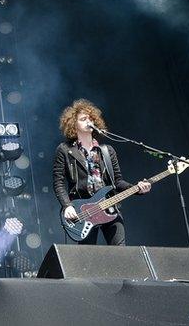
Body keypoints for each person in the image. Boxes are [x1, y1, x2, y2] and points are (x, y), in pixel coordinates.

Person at [52, 98, 150, 245]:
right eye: (83, 119)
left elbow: (117, 181)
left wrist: (137, 189)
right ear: (74, 124)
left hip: (109, 207)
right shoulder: (65, 150)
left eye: (91, 118)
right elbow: (58, 182)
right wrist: (67, 206)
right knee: (89, 257)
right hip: (84, 211)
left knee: (121, 252)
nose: (88, 121)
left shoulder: (107, 151)